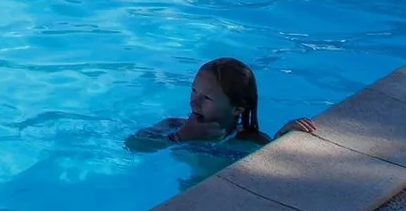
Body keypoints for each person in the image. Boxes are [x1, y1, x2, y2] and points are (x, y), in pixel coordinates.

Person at [127, 58, 315, 157]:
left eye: (206, 97)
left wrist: (281, 141)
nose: (194, 102)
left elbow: (272, 165)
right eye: (194, 91)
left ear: (237, 109)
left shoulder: (250, 141)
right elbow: (133, 145)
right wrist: (179, 137)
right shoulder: (173, 126)